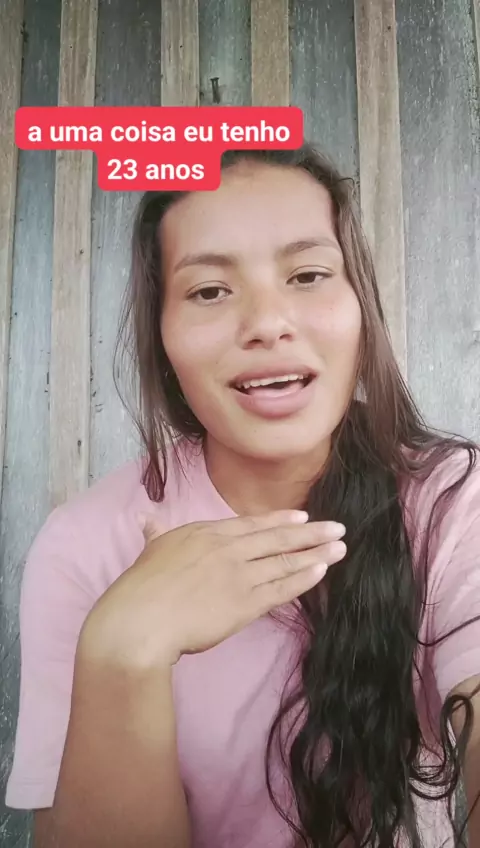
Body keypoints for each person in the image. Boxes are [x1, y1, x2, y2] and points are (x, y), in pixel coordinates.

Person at [5, 143, 480, 848]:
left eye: (308, 275)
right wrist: (123, 649)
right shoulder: (84, 543)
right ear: (162, 335)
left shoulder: (452, 501)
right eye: (209, 291)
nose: (267, 322)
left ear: (361, 306)